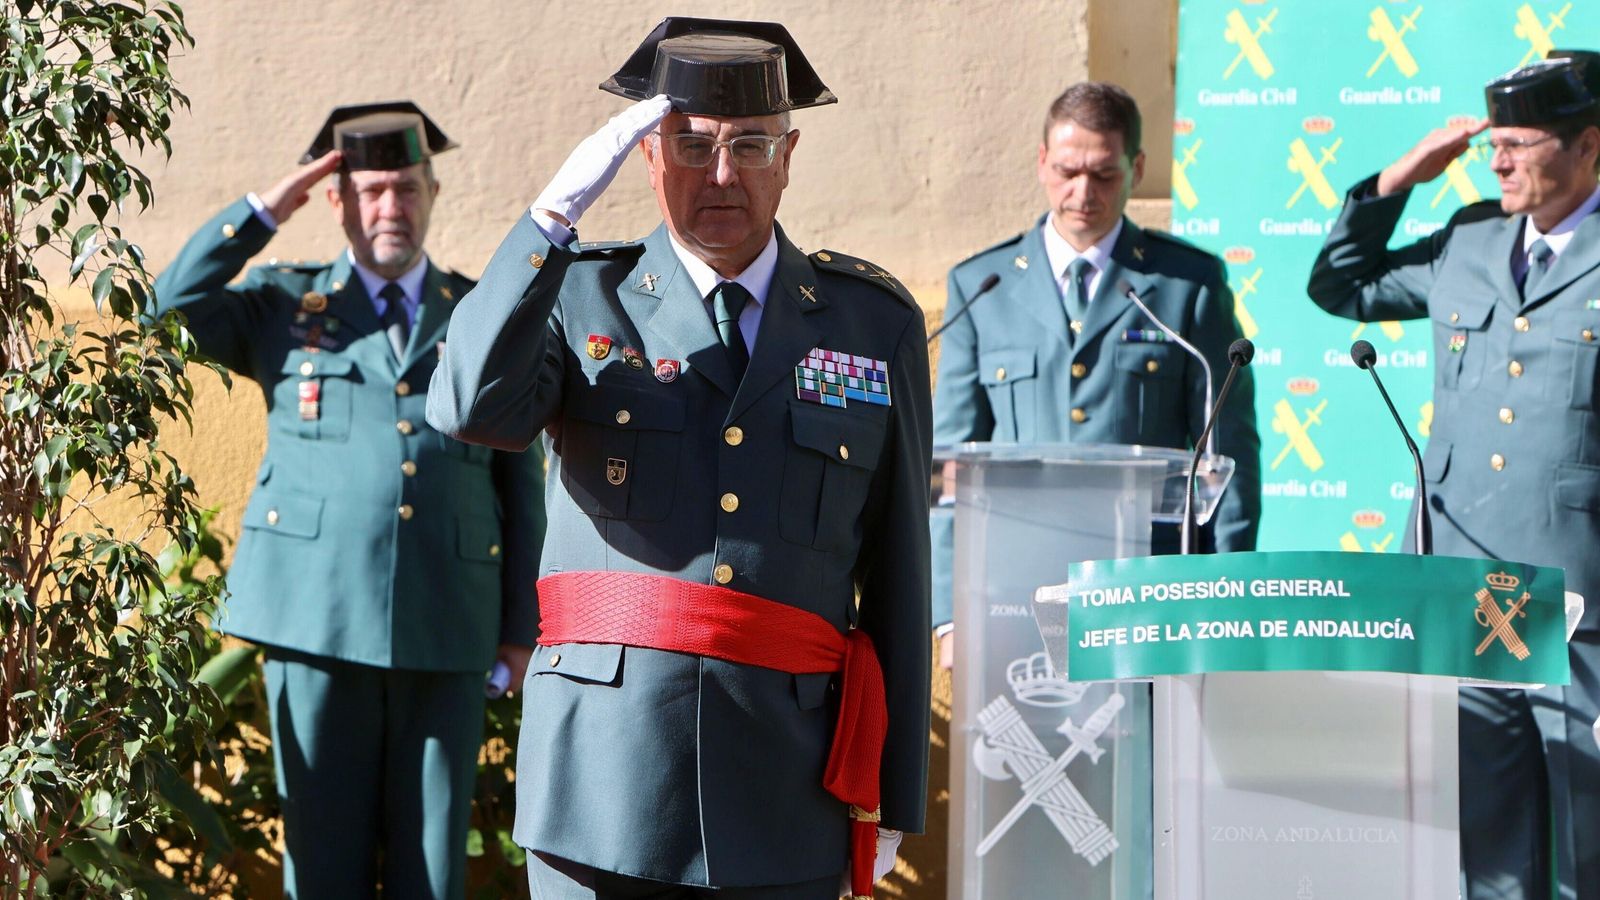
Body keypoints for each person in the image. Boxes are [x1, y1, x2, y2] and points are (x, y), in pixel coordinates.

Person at [426, 17, 930, 900]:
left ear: (790, 152)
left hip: (787, 786)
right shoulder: (583, 290)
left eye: (749, 145)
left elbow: (899, 571)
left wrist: (890, 791)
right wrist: (549, 221)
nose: (722, 175)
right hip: (602, 783)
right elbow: (467, 406)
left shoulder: (869, 322)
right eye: (691, 147)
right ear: (648, 157)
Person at [153, 102, 545, 900]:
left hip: (447, 620)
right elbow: (169, 310)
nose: (390, 208)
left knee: (433, 867)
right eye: (369, 191)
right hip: (314, 621)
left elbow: (520, 482)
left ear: (432, 193)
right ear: (338, 202)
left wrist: (519, 631)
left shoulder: (479, 315)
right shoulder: (283, 308)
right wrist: (268, 208)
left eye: (406, 188)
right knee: (321, 859)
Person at [1306, 51, 1600, 899]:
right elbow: (1341, 284)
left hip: (1581, 597)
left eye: (1520, 143)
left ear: (1587, 146)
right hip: (1463, 590)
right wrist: (1400, 178)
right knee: (1484, 845)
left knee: (1589, 837)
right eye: (1492, 144)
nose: (1498, 161)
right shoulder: (1470, 239)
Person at [931, 81, 1261, 662]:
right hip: (1013, 594)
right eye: (1067, 171)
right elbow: (949, 465)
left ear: (1136, 168)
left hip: (1152, 595)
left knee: (1152, 750)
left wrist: (1227, 592)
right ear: (1041, 162)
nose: (1083, 192)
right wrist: (949, 614)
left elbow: (1229, 453)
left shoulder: (1186, 286)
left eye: (1105, 174)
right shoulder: (983, 286)